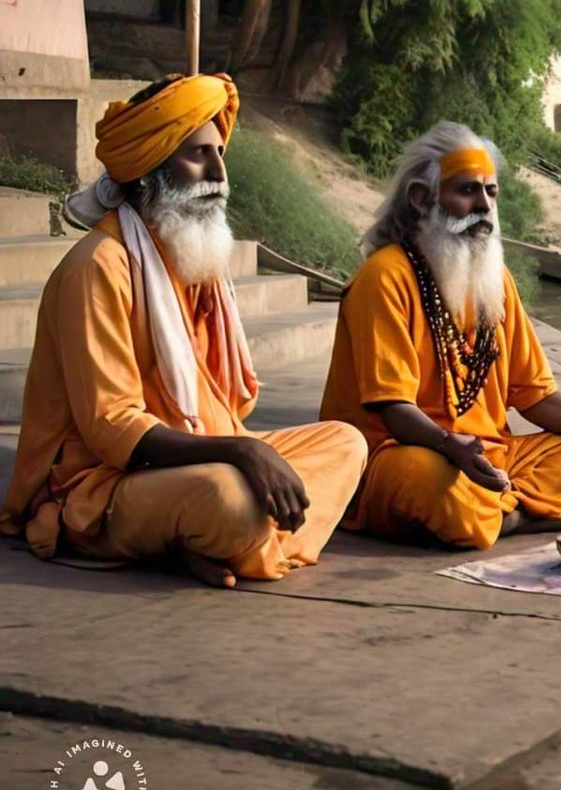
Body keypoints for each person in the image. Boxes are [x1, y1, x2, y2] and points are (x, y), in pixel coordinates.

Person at [1, 73, 367, 588]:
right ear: (150, 171)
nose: (219, 172)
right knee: (228, 496)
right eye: (198, 156)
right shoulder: (98, 266)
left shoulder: (192, 262)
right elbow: (113, 428)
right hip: (102, 486)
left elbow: (222, 409)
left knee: (346, 443)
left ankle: (204, 543)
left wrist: (239, 446)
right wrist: (241, 451)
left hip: (195, 458)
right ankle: (223, 537)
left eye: (220, 154)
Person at [320, 121, 561, 550]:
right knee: (426, 479)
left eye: (491, 192)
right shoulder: (384, 276)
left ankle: (496, 512)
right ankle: (516, 515)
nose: (484, 205)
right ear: (423, 199)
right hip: (397, 453)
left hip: (489, 457)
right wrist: (449, 445)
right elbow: (393, 408)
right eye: (467, 191)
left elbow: (534, 394)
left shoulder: (494, 281)